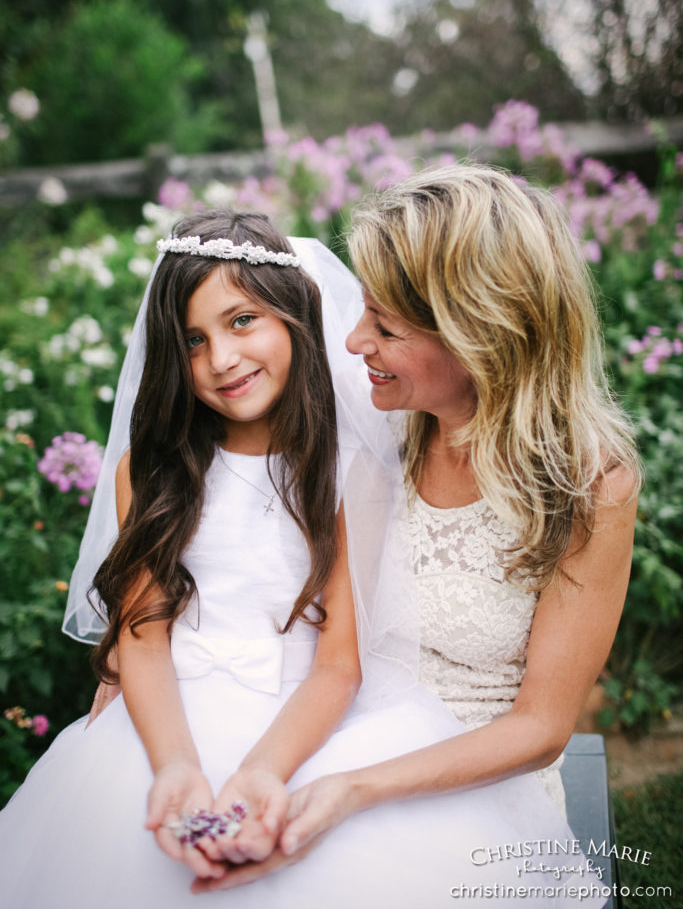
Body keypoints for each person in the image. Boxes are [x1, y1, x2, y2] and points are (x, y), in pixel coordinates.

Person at [0, 208, 609, 908]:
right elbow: (142, 634)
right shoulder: (153, 470)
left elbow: (338, 661)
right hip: (164, 727)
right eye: (191, 340)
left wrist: (263, 771)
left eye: (241, 322)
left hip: (301, 725)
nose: (220, 359)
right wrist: (171, 765)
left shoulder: (346, 470)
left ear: (293, 316)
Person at [193, 165, 638, 901]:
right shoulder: (372, 431)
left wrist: (353, 789)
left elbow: (540, 727)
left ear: (479, 335)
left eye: (386, 326)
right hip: (326, 729)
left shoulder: (587, 485)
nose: (354, 340)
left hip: (471, 783)